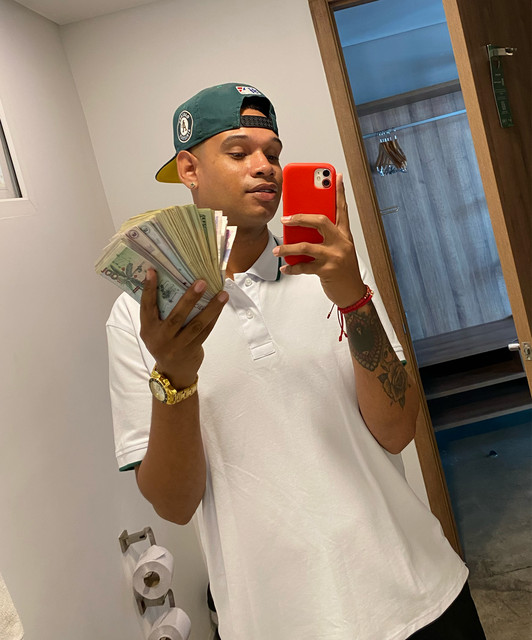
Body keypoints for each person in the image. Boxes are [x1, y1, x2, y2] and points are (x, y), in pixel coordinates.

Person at [106, 82, 486, 639]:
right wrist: (175, 376)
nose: (265, 167)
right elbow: (175, 504)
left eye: (274, 153)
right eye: (239, 152)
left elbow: (396, 429)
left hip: (419, 594)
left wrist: (353, 296)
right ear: (189, 169)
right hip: (280, 622)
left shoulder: (333, 271)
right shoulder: (139, 318)